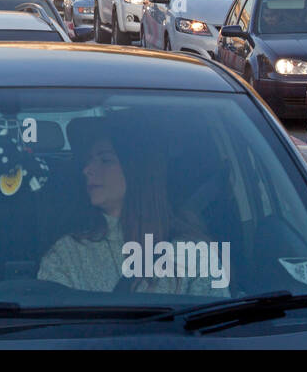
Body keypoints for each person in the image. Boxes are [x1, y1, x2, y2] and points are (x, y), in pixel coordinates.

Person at [38, 117, 225, 297]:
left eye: (105, 160)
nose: (87, 170)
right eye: (88, 161)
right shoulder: (67, 255)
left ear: (137, 170)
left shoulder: (193, 253)